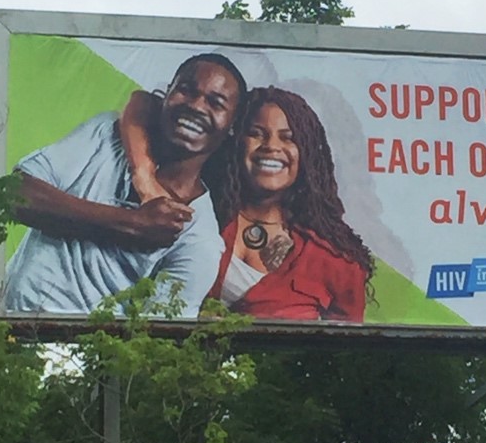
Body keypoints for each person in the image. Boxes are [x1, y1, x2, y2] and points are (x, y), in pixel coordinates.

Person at [3, 53, 247, 317]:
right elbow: (13, 193)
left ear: (232, 126)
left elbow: (156, 340)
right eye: (186, 91)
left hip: (82, 353)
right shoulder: (105, 136)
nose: (196, 106)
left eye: (216, 102)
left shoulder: (201, 239)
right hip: (3, 331)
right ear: (166, 95)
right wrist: (130, 222)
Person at [123, 85, 372, 322]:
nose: (272, 147)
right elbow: (143, 102)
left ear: (306, 154)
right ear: (236, 141)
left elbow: (348, 355)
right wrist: (143, 173)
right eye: (256, 134)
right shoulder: (198, 210)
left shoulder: (335, 261)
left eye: (288, 138)